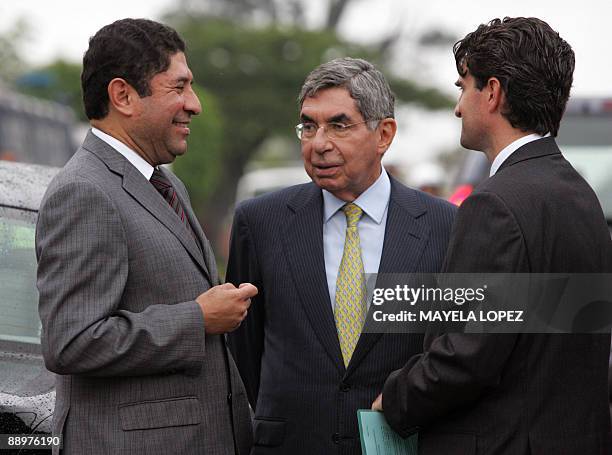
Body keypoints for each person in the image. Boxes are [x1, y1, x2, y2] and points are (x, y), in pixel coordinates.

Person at [374, 17, 612, 454]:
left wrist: (395, 398)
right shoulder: (582, 197)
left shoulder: (495, 204)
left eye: (463, 86)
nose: (458, 106)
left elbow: (467, 355)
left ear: (493, 92)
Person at [36, 19, 256, 455]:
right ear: (123, 96)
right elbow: (71, 341)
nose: (194, 104)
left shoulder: (166, 185)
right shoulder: (84, 191)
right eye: (178, 87)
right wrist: (196, 319)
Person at [226, 57, 456, 454]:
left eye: (338, 125)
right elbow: (245, 350)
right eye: (308, 126)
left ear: (383, 134)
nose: (318, 144)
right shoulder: (260, 221)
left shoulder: (445, 225)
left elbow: (451, 352)